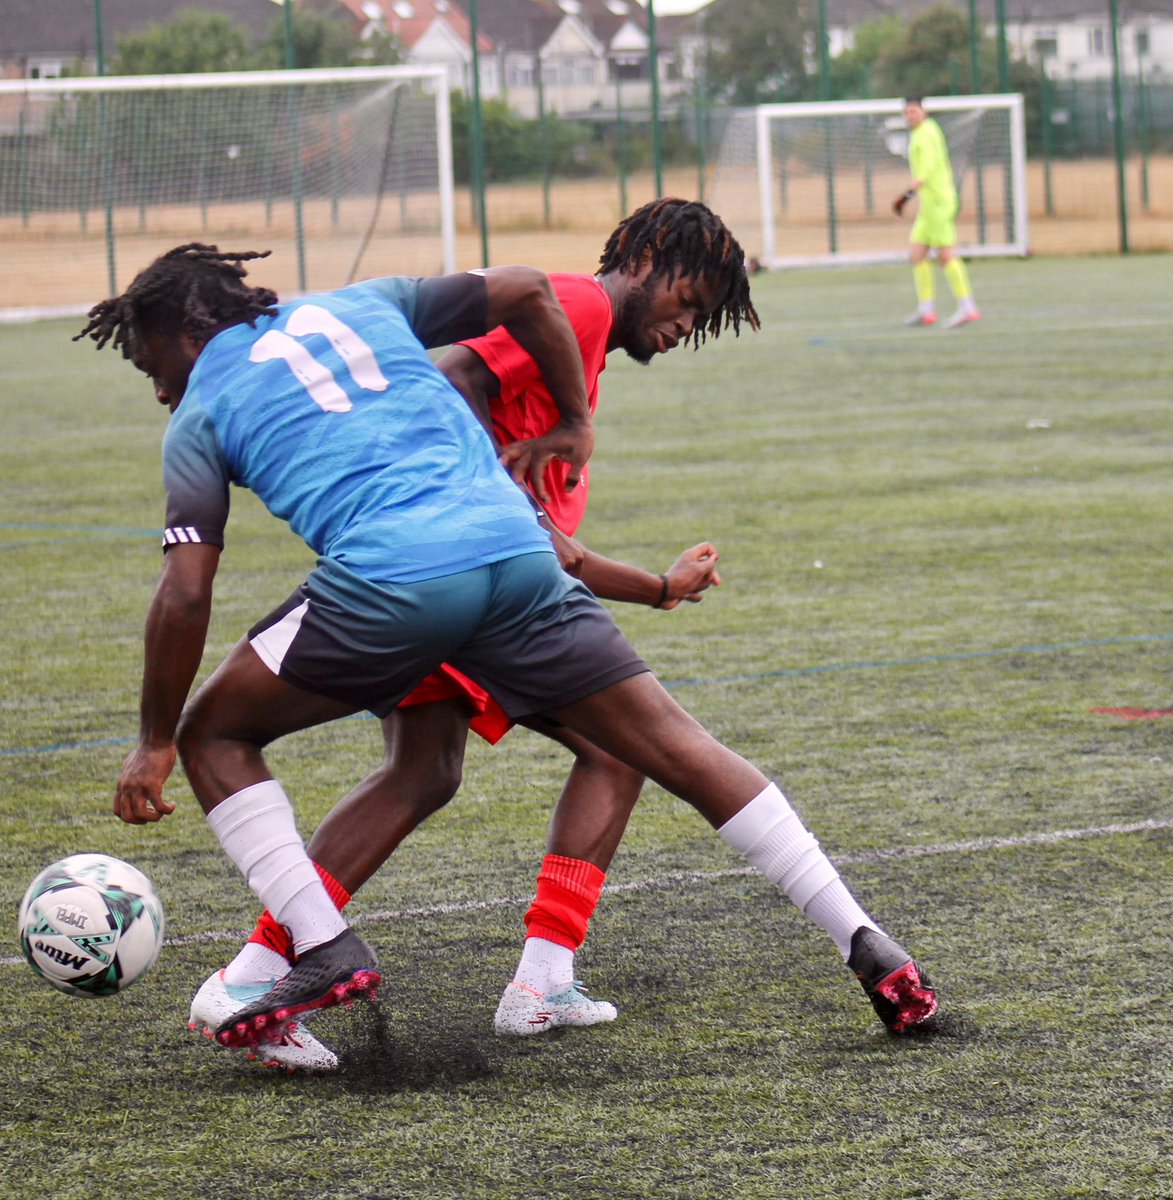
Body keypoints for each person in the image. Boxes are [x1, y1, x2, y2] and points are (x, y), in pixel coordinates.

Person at [77, 243, 939, 1067]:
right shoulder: (366, 303)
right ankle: (865, 939)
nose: (158, 388)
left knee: (211, 736)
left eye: (150, 363)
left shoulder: (200, 414)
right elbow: (527, 287)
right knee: (670, 746)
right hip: (520, 558)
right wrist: (575, 421)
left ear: (187, 332)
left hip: (392, 581)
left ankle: (321, 946)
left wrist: (152, 740)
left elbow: (185, 593)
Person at [193, 199, 753, 1071]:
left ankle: (257, 970)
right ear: (645, 257)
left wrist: (653, 587)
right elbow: (454, 371)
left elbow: (557, 545)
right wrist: (495, 505)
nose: (687, 324)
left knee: (422, 773)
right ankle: (538, 979)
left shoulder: (581, 336)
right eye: (688, 299)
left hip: (453, 570)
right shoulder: (584, 304)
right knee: (615, 751)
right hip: (466, 574)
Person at [893, 96, 980, 330]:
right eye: (907, 112)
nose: (910, 115)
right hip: (929, 205)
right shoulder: (926, 130)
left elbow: (926, 171)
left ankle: (968, 306)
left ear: (924, 112)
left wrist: (905, 196)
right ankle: (926, 310)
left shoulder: (926, 134)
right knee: (917, 254)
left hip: (939, 203)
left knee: (946, 255)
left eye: (914, 111)